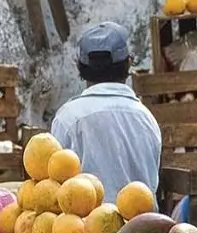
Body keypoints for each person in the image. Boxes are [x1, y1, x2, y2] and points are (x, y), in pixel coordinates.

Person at [51, 22, 161, 202]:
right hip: (143, 227)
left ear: (80, 68)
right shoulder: (146, 118)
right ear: (129, 63)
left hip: (80, 229)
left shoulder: (68, 118)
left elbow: (53, 183)